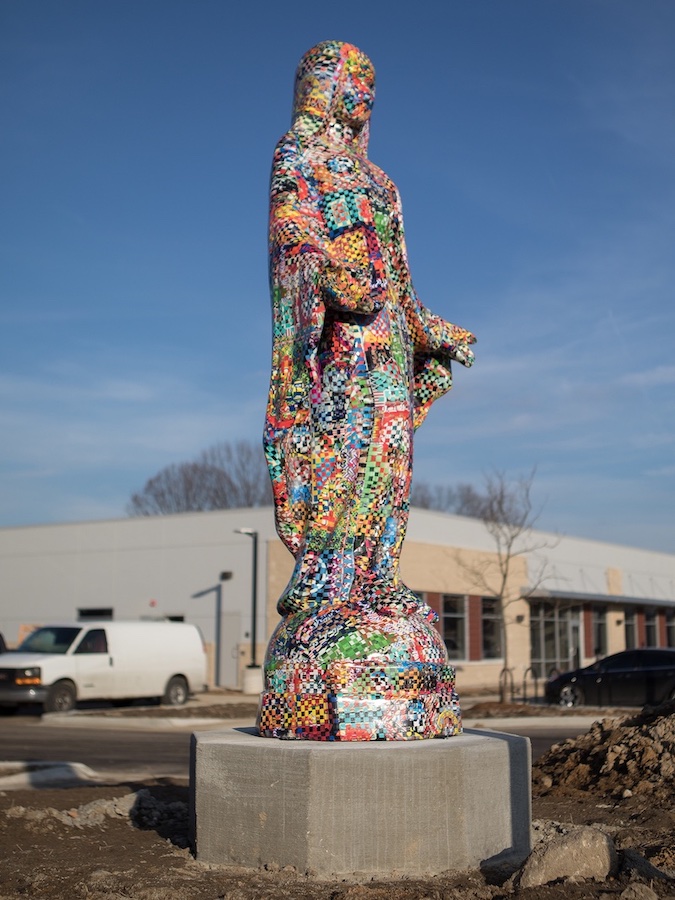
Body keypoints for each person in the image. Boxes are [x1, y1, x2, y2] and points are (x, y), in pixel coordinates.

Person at [264, 41, 476, 620]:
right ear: (323, 86)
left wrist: (430, 331)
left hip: (389, 338)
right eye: (353, 79)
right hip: (342, 337)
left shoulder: (382, 180)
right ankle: (327, 580)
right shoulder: (298, 154)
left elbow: (402, 278)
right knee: (345, 446)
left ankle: (379, 575)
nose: (366, 94)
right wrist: (326, 273)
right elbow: (291, 230)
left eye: (372, 85)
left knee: (391, 453)